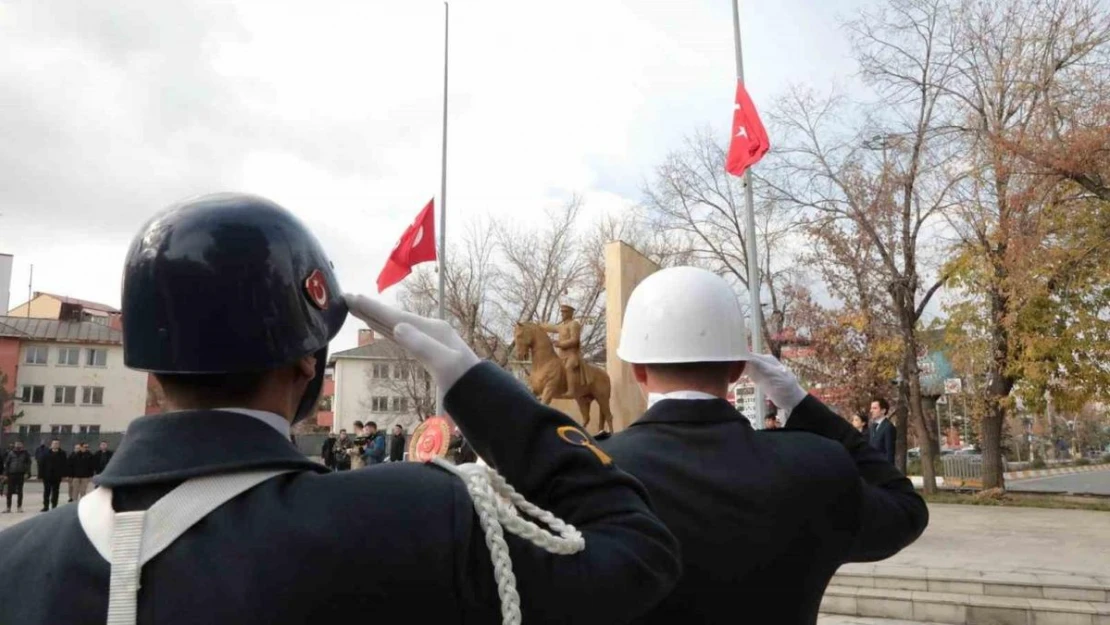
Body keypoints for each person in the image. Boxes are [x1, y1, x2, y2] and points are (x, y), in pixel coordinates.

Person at [0, 193, 679, 625]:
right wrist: (476, 384)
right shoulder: (415, 514)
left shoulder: (15, 559)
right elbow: (638, 553)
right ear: (307, 360)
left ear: (147, 361)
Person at [598, 266, 929, 625]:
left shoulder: (592, 473)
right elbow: (907, 509)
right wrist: (803, 404)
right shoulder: (816, 466)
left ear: (638, 370)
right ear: (739, 368)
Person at [538, 303, 587, 397]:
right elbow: (551, 327)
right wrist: (538, 326)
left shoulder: (574, 324)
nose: (562, 314)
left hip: (572, 355)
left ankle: (571, 391)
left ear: (570, 313)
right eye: (562, 312)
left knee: (569, 367)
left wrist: (560, 344)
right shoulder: (562, 326)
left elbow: (575, 340)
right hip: (561, 356)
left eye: (564, 312)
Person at [3, 441, 32, 513]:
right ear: (14, 445)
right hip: (11, 474)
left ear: (22, 445)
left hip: (21, 474)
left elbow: (29, 463)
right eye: (17, 444)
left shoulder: (25, 453)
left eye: (19, 444)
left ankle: (19, 507)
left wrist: (27, 473)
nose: (18, 445)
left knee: (20, 491)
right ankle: (8, 507)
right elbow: (7, 464)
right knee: (9, 492)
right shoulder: (10, 453)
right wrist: (6, 474)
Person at [39, 439, 67, 511]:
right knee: (46, 492)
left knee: (55, 492)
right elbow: (41, 464)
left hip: (57, 476)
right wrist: (40, 475)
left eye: (57, 443)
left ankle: (54, 506)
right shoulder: (46, 453)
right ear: (51, 444)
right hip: (47, 476)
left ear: (59, 445)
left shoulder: (62, 453)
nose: (55, 445)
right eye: (54, 443)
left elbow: (64, 465)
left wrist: (64, 475)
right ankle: (46, 506)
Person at [869, 398, 897, 464]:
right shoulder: (872, 427)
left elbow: (890, 453)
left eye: (875, 408)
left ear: (883, 410)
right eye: (871, 408)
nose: (871, 411)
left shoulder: (888, 427)